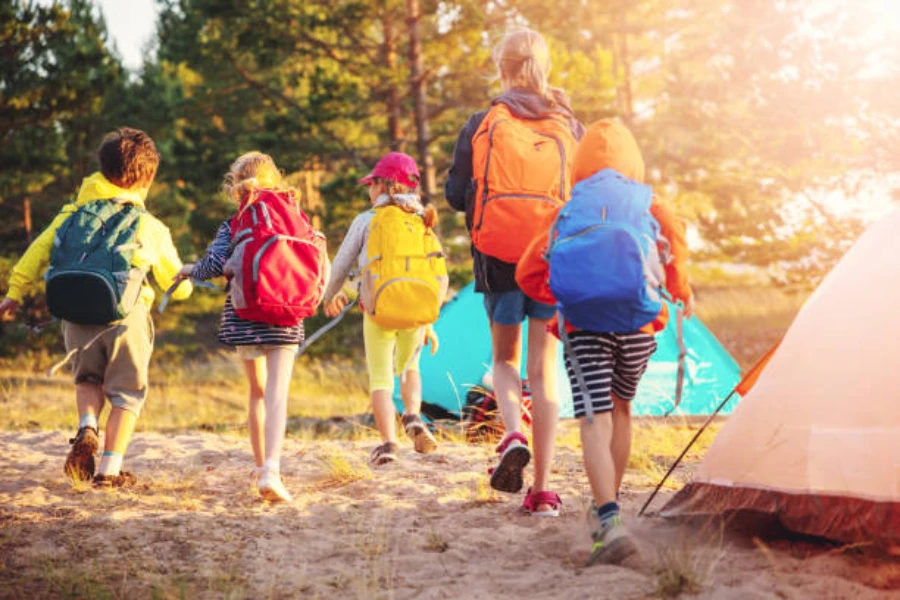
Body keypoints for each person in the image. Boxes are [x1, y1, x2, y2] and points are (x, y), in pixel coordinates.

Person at [520, 119, 694, 565]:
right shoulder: (650, 202)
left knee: (593, 420)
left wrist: (562, 297)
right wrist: (681, 293)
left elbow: (527, 272)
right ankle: (609, 511)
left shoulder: (568, 209)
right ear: (631, 160)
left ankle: (609, 519)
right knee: (620, 410)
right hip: (638, 326)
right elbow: (676, 257)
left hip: (584, 327)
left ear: (581, 165)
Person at [0, 127, 193, 488]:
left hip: (75, 314)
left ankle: (87, 427)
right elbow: (172, 281)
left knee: (88, 379)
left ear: (101, 170)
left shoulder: (72, 213)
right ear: (148, 178)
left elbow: (37, 251)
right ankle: (108, 470)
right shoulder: (149, 226)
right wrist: (185, 290)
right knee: (126, 394)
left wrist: (14, 292)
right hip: (126, 318)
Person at [445, 28, 584, 516]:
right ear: (543, 66)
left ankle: (510, 433)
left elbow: (454, 192)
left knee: (504, 361)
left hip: (500, 257)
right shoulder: (568, 125)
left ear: (502, 67)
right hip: (549, 257)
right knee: (544, 371)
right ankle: (543, 491)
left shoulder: (483, 121)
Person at [179, 151, 327, 503]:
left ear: (235, 186)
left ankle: (262, 466)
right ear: (276, 179)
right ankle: (272, 470)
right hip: (289, 314)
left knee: (257, 392)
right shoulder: (296, 215)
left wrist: (188, 270)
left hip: (246, 314)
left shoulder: (236, 222)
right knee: (278, 392)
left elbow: (213, 264)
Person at [323, 151, 444, 466]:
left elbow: (340, 267)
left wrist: (327, 296)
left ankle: (389, 443)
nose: (368, 190)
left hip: (377, 311)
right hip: (416, 310)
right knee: (410, 368)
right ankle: (414, 416)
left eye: (370, 184)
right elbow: (436, 273)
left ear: (380, 186)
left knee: (380, 378)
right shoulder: (423, 220)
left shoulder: (366, 220)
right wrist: (429, 319)